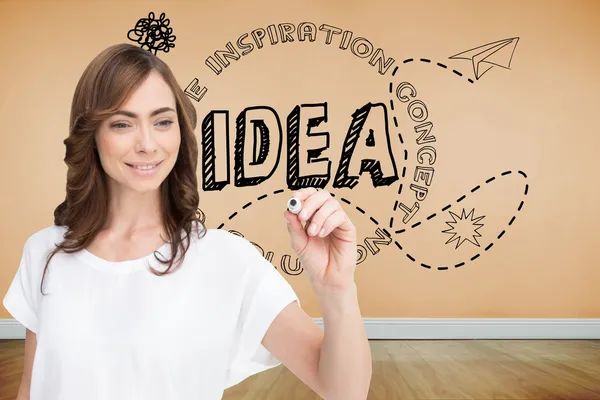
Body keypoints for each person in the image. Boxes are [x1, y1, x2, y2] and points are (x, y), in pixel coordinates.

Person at [2, 43, 372, 400]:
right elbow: (32, 390)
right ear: (92, 135)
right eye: (122, 124)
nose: (147, 143)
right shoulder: (44, 253)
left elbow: (342, 391)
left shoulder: (227, 260)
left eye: (162, 121)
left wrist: (337, 290)